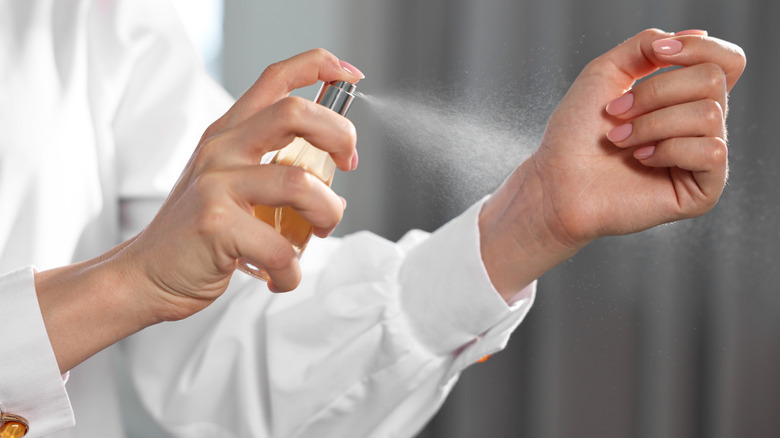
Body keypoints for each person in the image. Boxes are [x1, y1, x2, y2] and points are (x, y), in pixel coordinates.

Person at [0, 0, 745, 436]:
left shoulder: (89, 19)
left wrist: (532, 218)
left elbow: (236, 351)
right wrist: (121, 285)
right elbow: (148, 279)